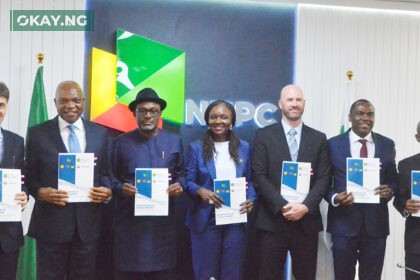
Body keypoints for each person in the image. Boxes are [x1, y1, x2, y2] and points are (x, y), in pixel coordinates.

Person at [25, 81, 112, 279]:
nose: (70, 105)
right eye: (63, 101)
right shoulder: (38, 133)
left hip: (87, 226)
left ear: (83, 101)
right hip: (51, 225)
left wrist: (106, 191)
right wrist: (39, 192)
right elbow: (29, 176)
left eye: (75, 100)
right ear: (55, 103)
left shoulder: (100, 133)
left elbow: (106, 173)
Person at [252, 84, 331, 280]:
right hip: (273, 221)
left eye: (298, 100)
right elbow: (259, 176)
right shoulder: (263, 136)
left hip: (306, 222)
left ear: (304, 104)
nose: (294, 104)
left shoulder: (319, 138)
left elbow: (324, 178)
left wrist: (305, 207)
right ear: (280, 104)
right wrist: (283, 206)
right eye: (289, 100)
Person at [111, 88, 184, 280]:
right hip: (129, 226)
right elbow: (107, 177)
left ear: (160, 114)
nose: (148, 115)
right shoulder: (120, 142)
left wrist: (179, 185)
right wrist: (120, 188)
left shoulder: (174, 141)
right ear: (135, 114)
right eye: (142, 111)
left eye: (153, 111)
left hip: (162, 228)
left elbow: (182, 174)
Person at [326, 99, 397, 280]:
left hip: (376, 226)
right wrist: (335, 197)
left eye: (370, 114)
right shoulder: (332, 144)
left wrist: (389, 191)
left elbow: (393, 180)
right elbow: (324, 182)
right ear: (350, 117)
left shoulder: (387, 145)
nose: (366, 118)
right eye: (360, 113)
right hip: (343, 224)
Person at [185, 99, 256, 280]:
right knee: (206, 274)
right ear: (207, 120)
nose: (218, 121)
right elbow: (188, 180)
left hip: (235, 220)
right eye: (214, 117)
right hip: (206, 219)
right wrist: (201, 191)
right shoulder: (196, 147)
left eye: (224, 117)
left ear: (232, 121)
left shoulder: (244, 147)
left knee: (233, 273)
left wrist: (251, 199)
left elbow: (251, 180)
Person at [0, 82, 27, 280]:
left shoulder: (16, 142)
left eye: (1, 104)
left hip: (7, 236)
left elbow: (22, 178)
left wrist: (24, 195)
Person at [393, 121, 420, 280]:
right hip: (417, 241)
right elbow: (398, 198)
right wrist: (405, 205)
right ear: (418, 138)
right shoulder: (406, 165)